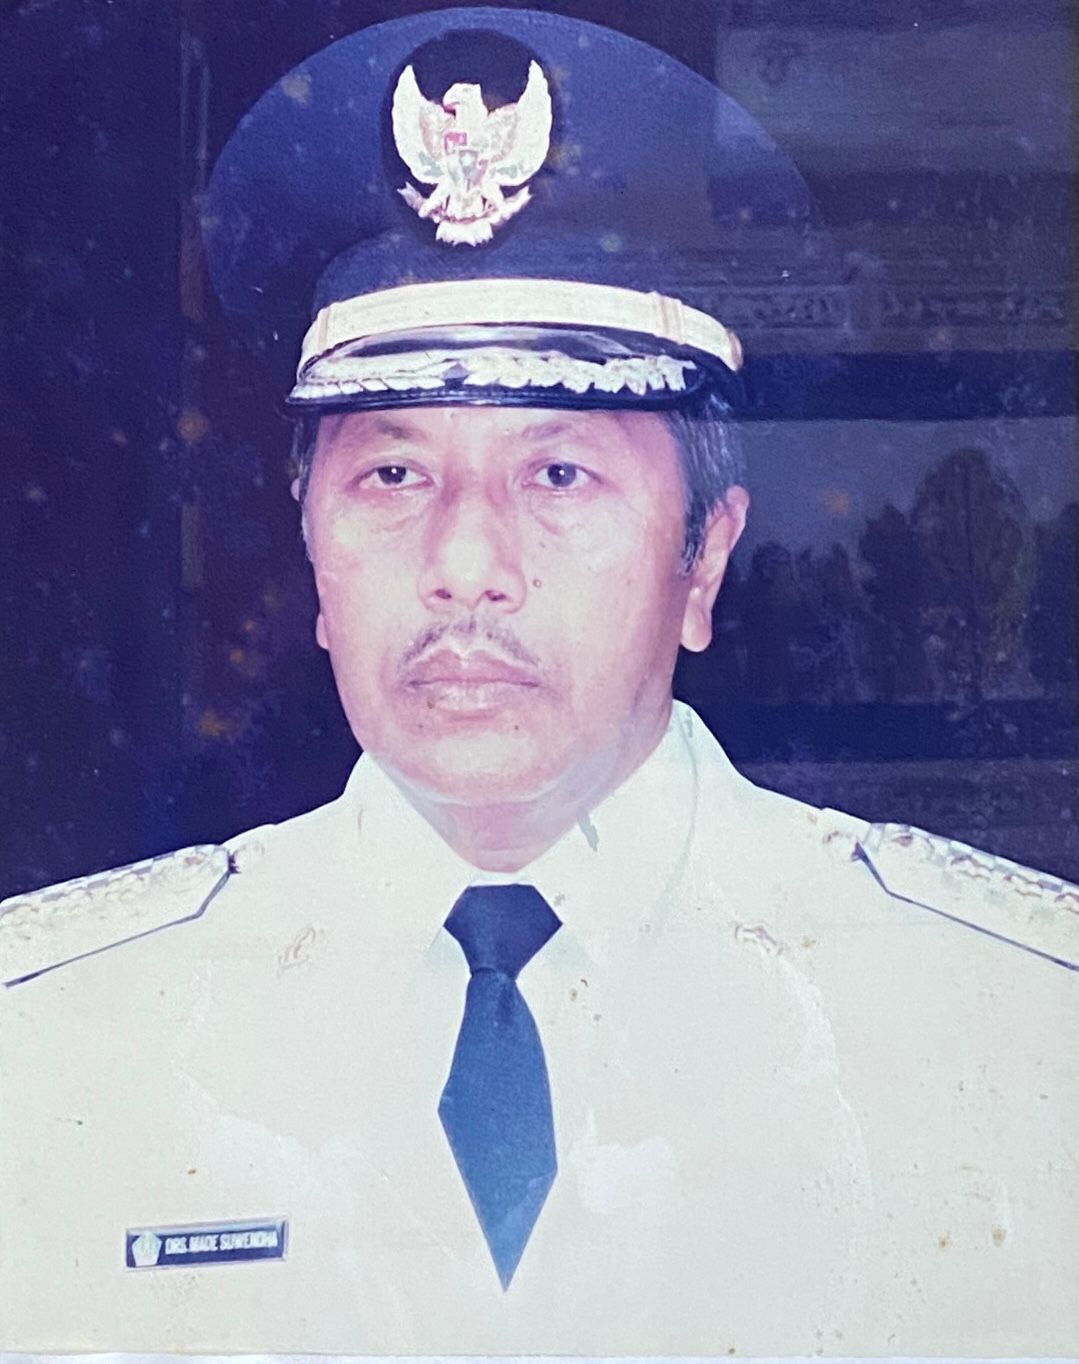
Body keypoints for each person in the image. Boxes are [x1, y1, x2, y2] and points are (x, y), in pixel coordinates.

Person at [2, 7, 1076, 1356]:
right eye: (394, 474)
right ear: (311, 549)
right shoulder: (56, 1041)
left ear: (703, 557)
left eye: (559, 473)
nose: (464, 565)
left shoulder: (1014, 1027)